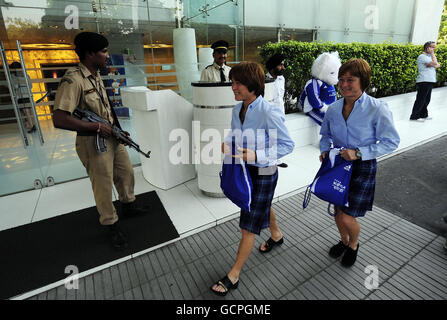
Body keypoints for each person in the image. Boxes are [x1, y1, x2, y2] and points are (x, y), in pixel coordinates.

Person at [52, 32, 147, 250]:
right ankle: (111, 224)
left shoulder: (95, 75)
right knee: (103, 185)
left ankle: (128, 205)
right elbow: (59, 118)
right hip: (92, 142)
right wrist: (95, 127)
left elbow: (107, 110)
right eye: (103, 51)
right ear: (89, 54)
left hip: (111, 136)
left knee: (126, 172)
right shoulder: (74, 79)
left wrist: (119, 131)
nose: (107, 55)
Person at [211, 62, 295, 296]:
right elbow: (235, 134)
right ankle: (276, 236)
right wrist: (228, 143)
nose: (233, 87)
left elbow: (288, 145)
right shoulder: (236, 109)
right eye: (233, 81)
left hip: (265, 172)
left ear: (253, 85)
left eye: (238, 83)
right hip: (245, 170)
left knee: (248, 225)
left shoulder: (269, 111)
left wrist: (258, 155)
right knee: (262, 206)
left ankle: (234, 274)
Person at [319, 58, 400, 267]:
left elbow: (391, 142)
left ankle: (353, 244)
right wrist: (325, 150)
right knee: (337, 211)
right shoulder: (333, 109)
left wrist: (358, 153)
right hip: (337, 166)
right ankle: (343, 241)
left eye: (350, 80)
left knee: (347, 217)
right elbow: (324, 135)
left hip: (362, 167)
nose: (344, 85)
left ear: (362, 81)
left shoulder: (377, 108)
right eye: (341, 80)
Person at [299, 51, 341, 126]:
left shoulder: (328, 83)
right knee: (328, 123)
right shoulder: (314, 83)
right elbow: (313, 97)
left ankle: (330, 136)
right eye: (332, 73)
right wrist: (322, 107)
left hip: (327, 109)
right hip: (314, 109)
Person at [266, 53, 288, 168]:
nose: (283, 68)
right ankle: (269, 160)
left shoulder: (281, 79)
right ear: (273, 66)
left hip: (280, 113)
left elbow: (281, 97)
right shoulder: (264, 80)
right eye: (280, 65)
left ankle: (277, 160)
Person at [409, 41, 441, 122]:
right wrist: (433, 60)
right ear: (427, 48)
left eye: (434, 47)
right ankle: (414, 116)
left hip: (429, 80)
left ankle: (423, 115)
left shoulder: (428, 57)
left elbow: (437, 65)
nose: (434, 49)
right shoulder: (422, 56)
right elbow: (435, 63)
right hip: (424, 80)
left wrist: (433, 63)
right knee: (421, 99)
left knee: (427, 99)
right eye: (432, 47)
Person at [9, 62, 36, 133]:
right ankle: (34, 125)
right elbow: (30, 86)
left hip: (21, 96)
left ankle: (31, 126)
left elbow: (15, 86)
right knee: (30, 111)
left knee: (26, 111)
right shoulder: (26, 75)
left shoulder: (13, 76)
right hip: (28, 94)